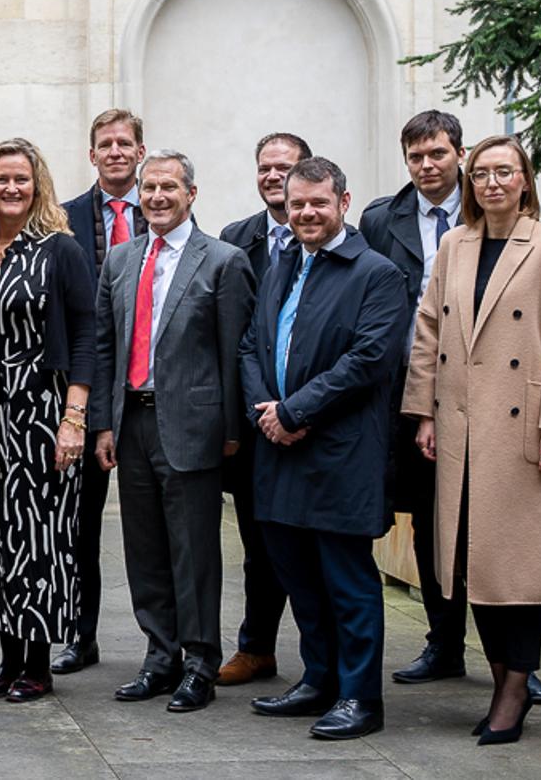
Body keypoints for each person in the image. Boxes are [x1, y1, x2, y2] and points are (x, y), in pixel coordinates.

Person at [401, 136, 541, 745]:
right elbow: (428, 331)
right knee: (472, 562)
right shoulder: (455, 246)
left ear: (524, 180)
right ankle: (502, 674)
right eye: (480, 173)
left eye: (502, 172)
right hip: (460, 428)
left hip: (524, 432)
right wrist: (424, 414)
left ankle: (514, 687)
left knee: (516, 566)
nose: (491, 183)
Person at [358, 112, 541, 704]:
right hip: (413, 390)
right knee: (429, 517)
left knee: (502, 529)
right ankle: (443, 642)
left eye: (437, 154)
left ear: (458, 155)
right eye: (415, 156)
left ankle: (516, 664)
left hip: (498, 400)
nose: (426, 166)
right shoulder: (379, 220)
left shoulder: (521, 234)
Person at [238, 158, 407, 740]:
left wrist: (294, 412)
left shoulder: (376, 273)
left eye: (318, 203)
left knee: (347, 581)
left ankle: (360, 698)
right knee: (297, 577)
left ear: (344, 202)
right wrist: (268, 411)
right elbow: (251, 345)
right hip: (278, 450)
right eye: (296, 204)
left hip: (340, 453)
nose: (306, 213)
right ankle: (319, 679)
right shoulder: (283, 262)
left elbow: (369, 360)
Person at [92, 150, 256, 713]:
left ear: (191, 193)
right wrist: (102, 425)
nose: (157, 197)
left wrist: (232, 429)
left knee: (194, 551)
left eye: (169, 187)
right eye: (149, 187)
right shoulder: (119, 259)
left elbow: (236, 352)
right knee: (144, 549)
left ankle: (200, 661)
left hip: (192, 424)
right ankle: (158, 656)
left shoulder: (223, 261)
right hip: (131, 421)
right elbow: (104, 345)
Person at [0, 139, 97, 705]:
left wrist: (75, 417)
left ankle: (38, 664)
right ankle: (8, 658)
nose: (11, 188)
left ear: (38, 185)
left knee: (40, 538)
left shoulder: (60, 250)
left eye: (21, 179)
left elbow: (86, 335)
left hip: (41, 410)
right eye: (0, 179)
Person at [215, 132, 312, 686]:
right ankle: (257, 647)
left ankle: (322, 657)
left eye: (286, 168)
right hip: (257, 426)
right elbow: (237, 338)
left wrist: (297, 409)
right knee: (259, 546)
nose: (274, 177)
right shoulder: (237, 239)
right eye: (266, 168)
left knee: (313, 547)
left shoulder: (335, 236)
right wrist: (259, 411)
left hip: (316, 421)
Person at [52, 108, 147, 673]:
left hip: (143, 390)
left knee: (150, 527)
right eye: (105, 144)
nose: (115, 152)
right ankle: (79, 635)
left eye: (124, 143)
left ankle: (164, 644)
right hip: (82, 389)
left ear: (139, 151)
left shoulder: (162, 208)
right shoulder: (63, 219)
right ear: (92, 155)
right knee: (77, 527)